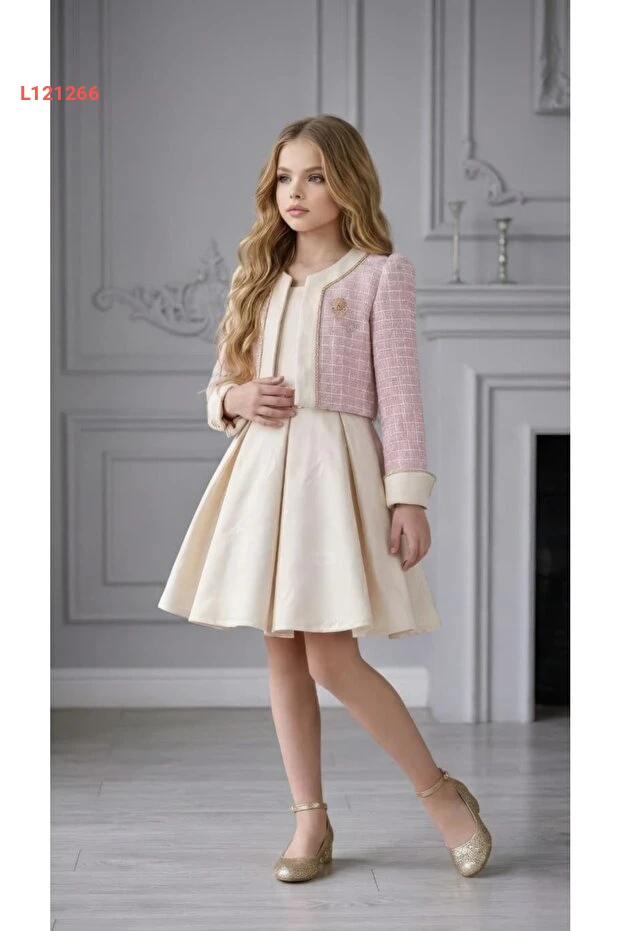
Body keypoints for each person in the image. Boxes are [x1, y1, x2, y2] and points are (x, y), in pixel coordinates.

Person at [158, 115, 492, 882]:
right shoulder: (258, 276)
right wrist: (236, 398)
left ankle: (441, 795)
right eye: (284, 177)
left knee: (332, 657)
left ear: (346, 184)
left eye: (314, 176)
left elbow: (399, 396)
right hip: (263, 474)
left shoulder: (379, 274)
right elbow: (218, 387)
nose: (296, 192)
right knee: (281, 650)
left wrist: (407, 497)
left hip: (334, 473)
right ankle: (309, 819)